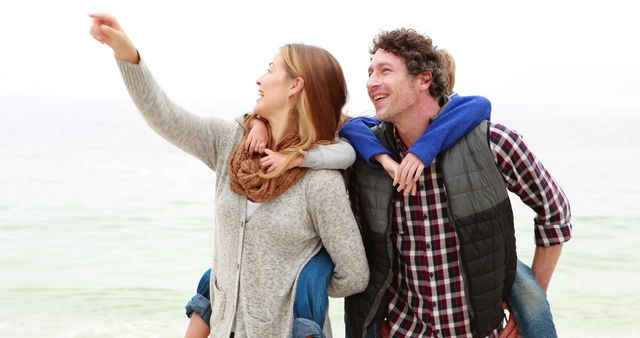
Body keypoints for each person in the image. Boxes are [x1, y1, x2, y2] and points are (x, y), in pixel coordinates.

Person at [89, 13, 370, 338]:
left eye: (270, 69)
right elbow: (164, 116)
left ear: (295, 85)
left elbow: (354, 274)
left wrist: (297, 290)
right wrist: (127, 56)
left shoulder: (320, 182)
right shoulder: (229, 144)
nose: (259, 79)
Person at [339, 29, 572, 338]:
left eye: (385, 71)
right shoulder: (366, 159)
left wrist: (529, 306)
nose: (371, 82)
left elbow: (555, 212)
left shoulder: (493, 142)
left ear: (423, 79)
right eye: (370, 72)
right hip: (399, 330)